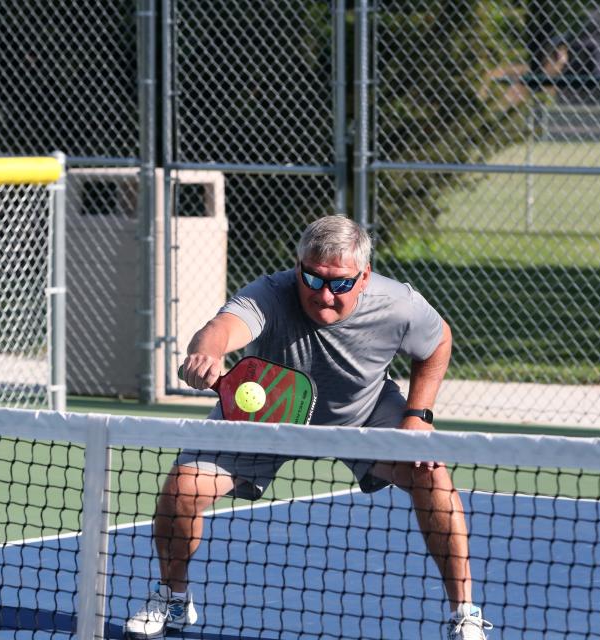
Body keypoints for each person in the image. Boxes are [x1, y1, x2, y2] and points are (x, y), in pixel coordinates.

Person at [123, 215, 492, 640]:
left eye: (339, 284)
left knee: (434, 478)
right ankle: (173, 597)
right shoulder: (270, 294)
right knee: (182, 491)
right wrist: (205, 354)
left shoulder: (397, 303)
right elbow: (219, 330)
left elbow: (439, 340)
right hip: (264, 418)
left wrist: (418, 415)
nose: (324, 294)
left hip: (364, 414)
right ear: (298, 265)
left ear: (364, 276)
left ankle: (464, 612)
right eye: (313, 278)